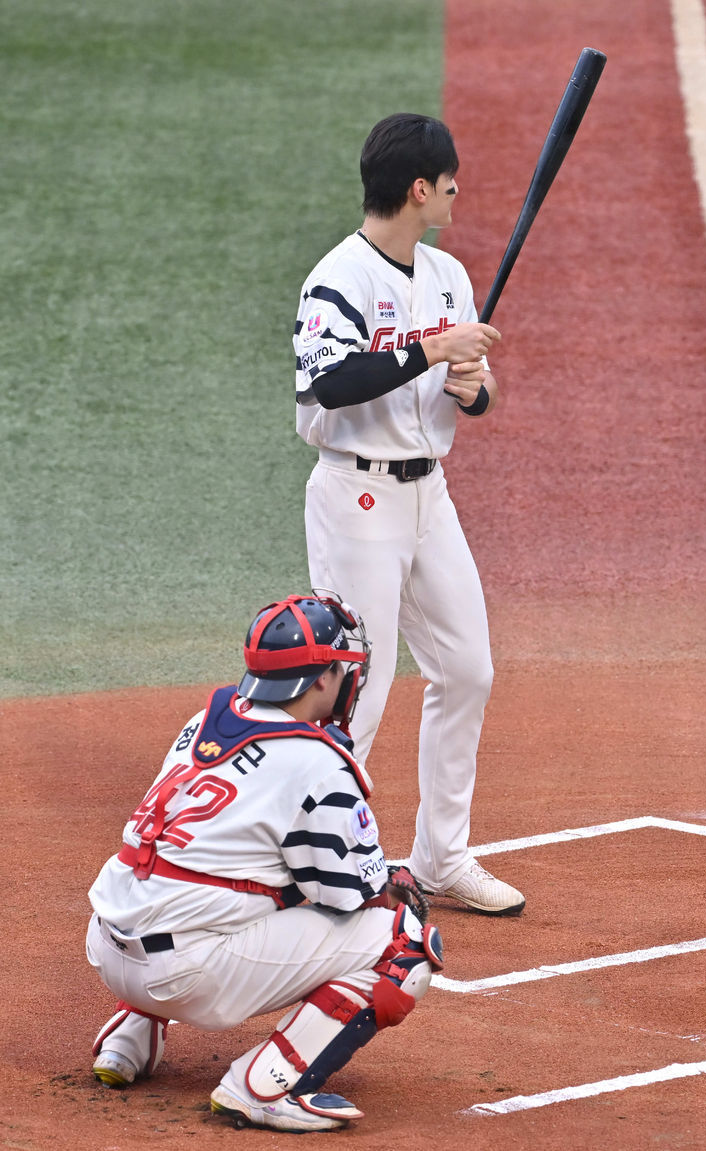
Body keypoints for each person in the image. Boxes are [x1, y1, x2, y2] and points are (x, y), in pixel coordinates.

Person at [86, 592, 442, 1133]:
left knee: (216, 875)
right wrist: (391, 882)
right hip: (181, 973)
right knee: (403, 941)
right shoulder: (317, 762)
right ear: (321, 679)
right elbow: (348, 894)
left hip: (108, 945)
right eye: (344, 667)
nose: (351, 678)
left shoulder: (207, 717)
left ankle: (128, 1040)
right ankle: (263, 1087)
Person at [293, 112, 524, 915]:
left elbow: (475, 388)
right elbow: (333, 384)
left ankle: (439, 858)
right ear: (419, 188)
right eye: (450, 178)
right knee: (359, 687)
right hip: (357, 499)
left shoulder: (450, 275)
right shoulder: (338, 279)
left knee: (467, 668)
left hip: (431, 496)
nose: (460, 189)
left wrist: (476, 388)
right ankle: (325, 866)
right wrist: (434, 350)